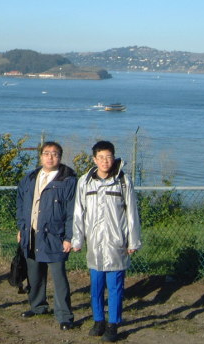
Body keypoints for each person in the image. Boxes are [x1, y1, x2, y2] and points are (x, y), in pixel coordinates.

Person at [72, 140, 142, 343]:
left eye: (108, 157)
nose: (105, 161)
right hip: (94, 244)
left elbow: (132, 213)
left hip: (116, 243)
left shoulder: (123, 181)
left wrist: (133, 241)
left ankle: (113, 324)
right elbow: (78, 212)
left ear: (114, 157)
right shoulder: (85, 181)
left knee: (115, 287)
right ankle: (98, 320)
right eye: (101, 157)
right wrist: (77, 239)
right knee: (95, 286)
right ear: (94, 159)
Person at [15, 141, 77, 330]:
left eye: (55, 154)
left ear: (60, 157)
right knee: (34, 274)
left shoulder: (68, 180)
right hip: (31, 234)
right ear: (41, 156)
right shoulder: (30, 178)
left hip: (55, 236)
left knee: (59, 278)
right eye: (47, 153)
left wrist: (69, 237)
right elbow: (21, 204)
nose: (50, 157)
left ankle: (64, 315)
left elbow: (72, 212)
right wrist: (21, 228)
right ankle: (38, 306)